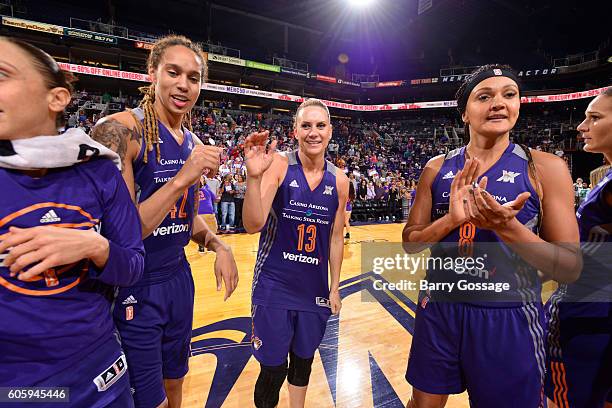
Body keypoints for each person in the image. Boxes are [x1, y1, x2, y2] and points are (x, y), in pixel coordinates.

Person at [402, 64, 581, 408]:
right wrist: (450, 221)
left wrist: (506, 227)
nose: (499, 103)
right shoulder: (436, 168)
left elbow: (570, 268)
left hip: (508, 312)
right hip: (439, 308)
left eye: (509, 95)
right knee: (423, 404)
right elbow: (411, 242)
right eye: (484, 96)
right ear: (465, 113)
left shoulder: (545, 167)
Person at [90, 35, 238, 408]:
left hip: (178, 279)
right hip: (134, 285)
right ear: (153, 72)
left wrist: (218, 244)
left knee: (177, 382)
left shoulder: (192, 141)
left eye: (193, 77)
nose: (183, 84)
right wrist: (182, 178)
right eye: (173, 72)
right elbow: (125, 234)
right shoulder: (120, 132)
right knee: (148, 399)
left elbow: (186, 222)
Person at [0, 37, 144, 407]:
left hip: (98, 368)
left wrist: (95, 247)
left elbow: (133, 265)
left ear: (57, 98)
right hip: (18, 385)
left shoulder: (98, 169)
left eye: (2, 75)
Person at [243, 99, 349, 408]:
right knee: (273, 369)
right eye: (306, 125)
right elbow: (253, 224)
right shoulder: (278, 165)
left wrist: (334, 286)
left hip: (313, 290)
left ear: (330, 131)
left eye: (319, 126)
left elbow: (335, 238)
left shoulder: (340, 181)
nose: (313, 132)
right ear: (295, 131)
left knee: (303, 364)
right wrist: (253, 177)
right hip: (274, 285)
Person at [545, 88, 612, 408]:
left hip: (587, 323)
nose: (581, 126)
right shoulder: (605, 177)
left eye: (594, 117)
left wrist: (507, 227)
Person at [197, 176, 218, 253]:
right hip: (208, 212)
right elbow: (214, 198)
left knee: (199, 231)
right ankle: (209, 247)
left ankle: (201, 247)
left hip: (198, 214)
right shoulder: (207, 190)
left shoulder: (192, 191)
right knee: (211, 230)